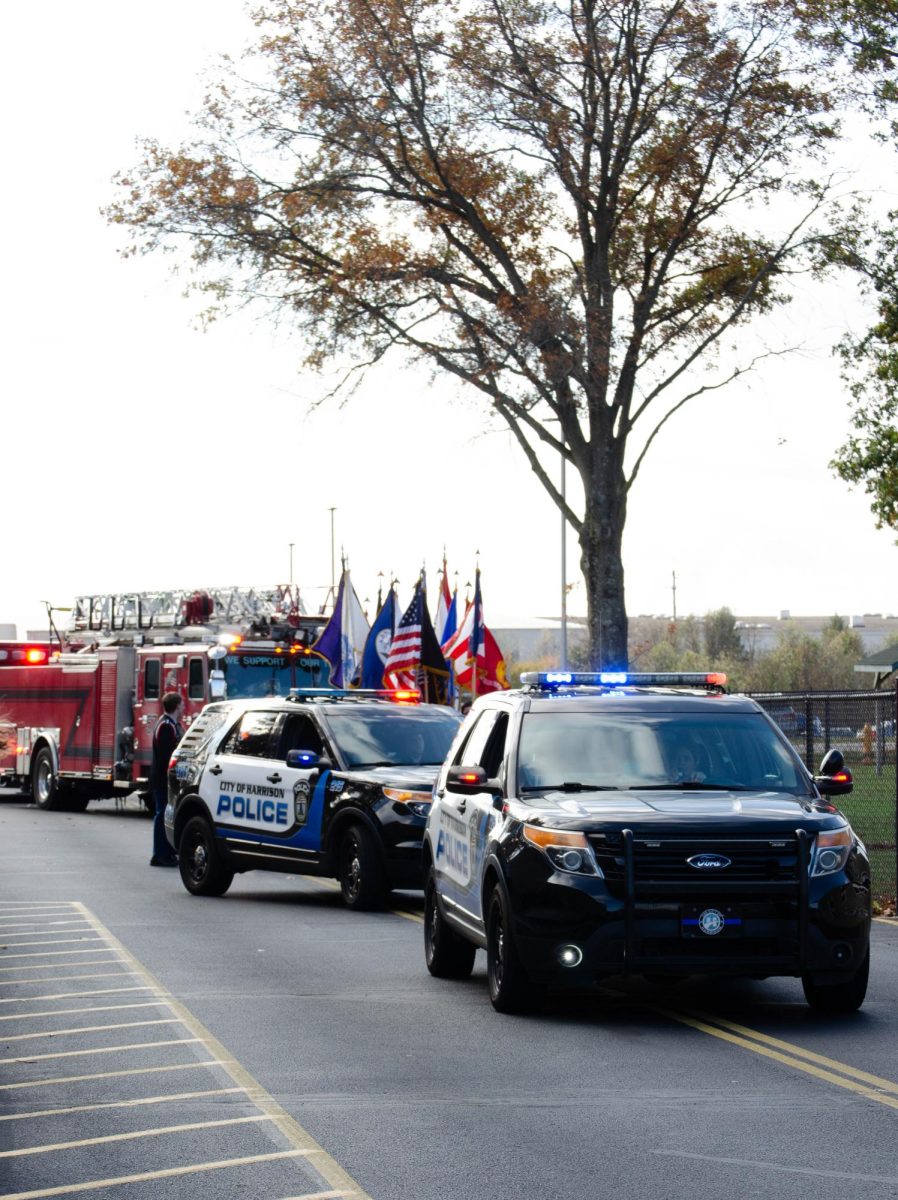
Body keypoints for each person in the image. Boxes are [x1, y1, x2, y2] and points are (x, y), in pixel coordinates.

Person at [149, 692, 183, 867]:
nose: (183, 707)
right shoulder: (166, 726)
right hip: (162, 778)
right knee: (162, 814)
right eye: (182, 704)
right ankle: (159, 854)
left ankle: (167, 852)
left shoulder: (171, 724)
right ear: (176, 706)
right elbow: (166, 755)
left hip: (165, 777)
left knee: (167, 815)